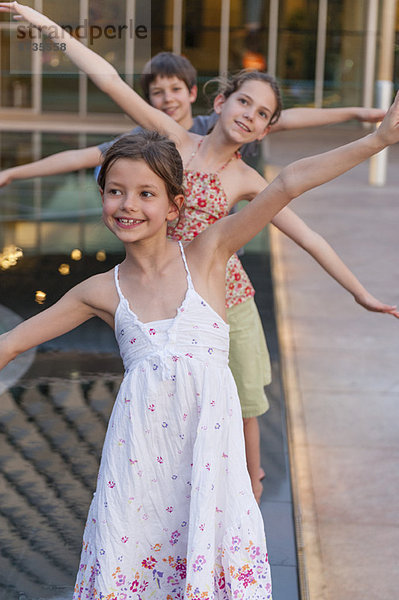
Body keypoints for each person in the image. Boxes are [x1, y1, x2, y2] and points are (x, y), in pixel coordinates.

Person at [1, 92, 399, 600]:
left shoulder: (209, 256)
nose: (129, 205)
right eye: (116, 191)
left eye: (147, 194)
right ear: (101, 198)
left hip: (210, 470)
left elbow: (289, 183)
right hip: (138, 475)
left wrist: (380, 139)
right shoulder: (100, 291)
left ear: (174, 205)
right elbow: (11, 343)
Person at [0, 6, 397, 502]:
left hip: (226, 297)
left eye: (261, 115)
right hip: (164, 290)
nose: (248, 117)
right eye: (243, 103)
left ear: (266, 130)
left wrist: (360, 293)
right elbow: (108, 81)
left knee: (247, 400)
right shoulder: (171, 142)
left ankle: (250, 488)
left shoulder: (247, 180)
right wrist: (44, 25)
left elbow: (308, 230)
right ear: (221, 99)